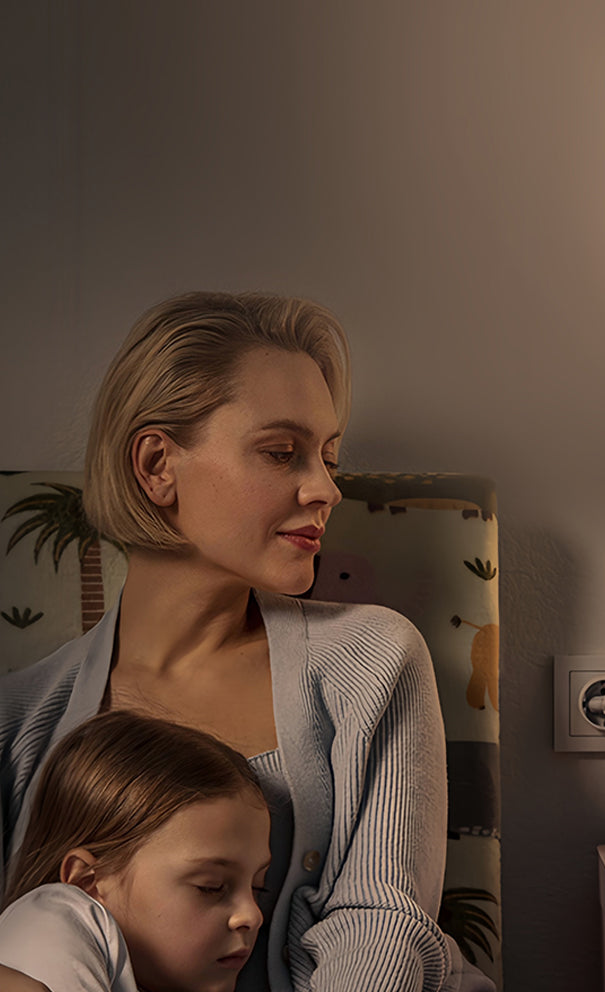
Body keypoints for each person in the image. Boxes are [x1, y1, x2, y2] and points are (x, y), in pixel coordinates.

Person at [0, 292, 491, 992]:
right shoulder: (18, 724)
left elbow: (379, 917)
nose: (326, 489)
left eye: (328, 458)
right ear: (156, 466)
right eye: (282, 453)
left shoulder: (373, 659)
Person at [0, 711, 271, 992]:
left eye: (259, 887)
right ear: (87, 882)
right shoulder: (49, 921)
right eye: (211, 887)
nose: (253, 915)